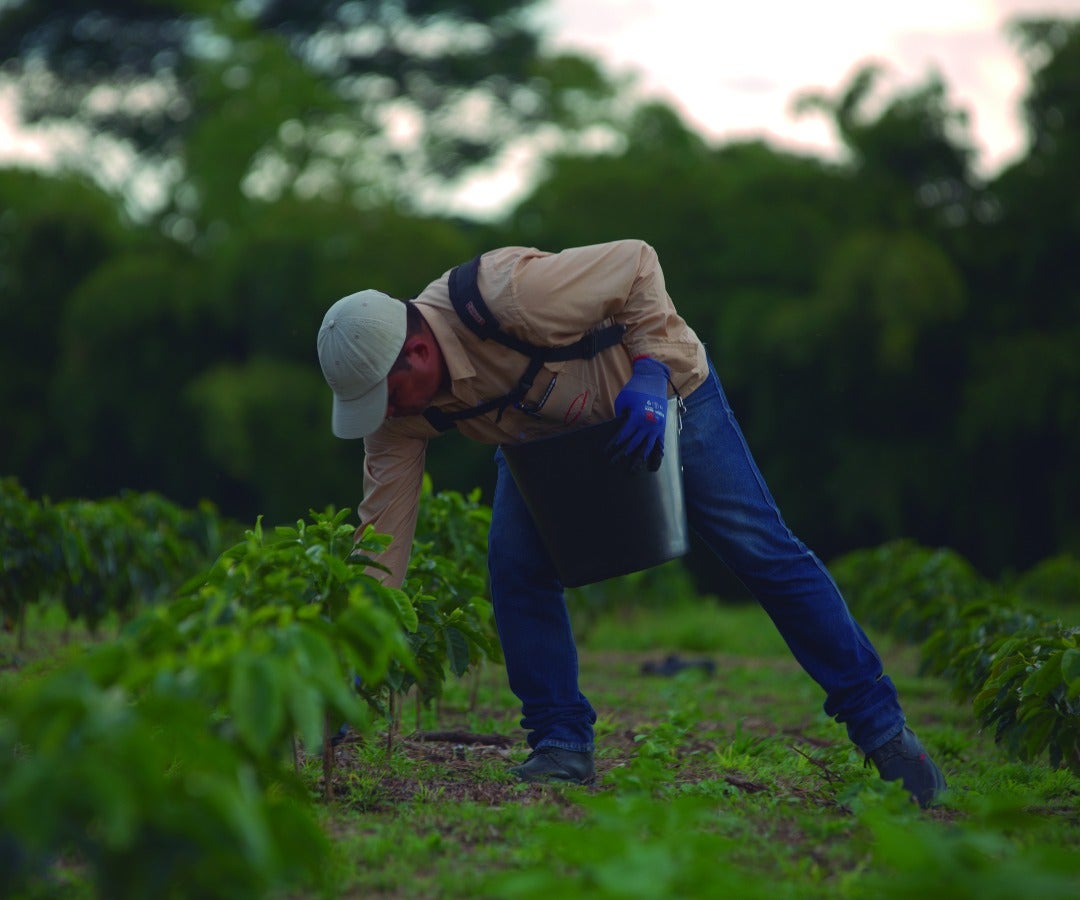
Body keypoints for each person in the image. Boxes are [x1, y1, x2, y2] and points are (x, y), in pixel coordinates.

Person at [316, 239, 947, 808]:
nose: (387, 411)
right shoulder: (398, 419)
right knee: (516, 571)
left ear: (418, 349)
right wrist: (348, 663)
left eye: (387, 393)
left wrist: (649, 372)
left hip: (659, 401)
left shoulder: (508, 296)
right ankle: (560, 740)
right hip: (546, 440)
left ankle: (885, 733)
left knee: (761, 549)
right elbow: (381, 542)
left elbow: (637, 262)